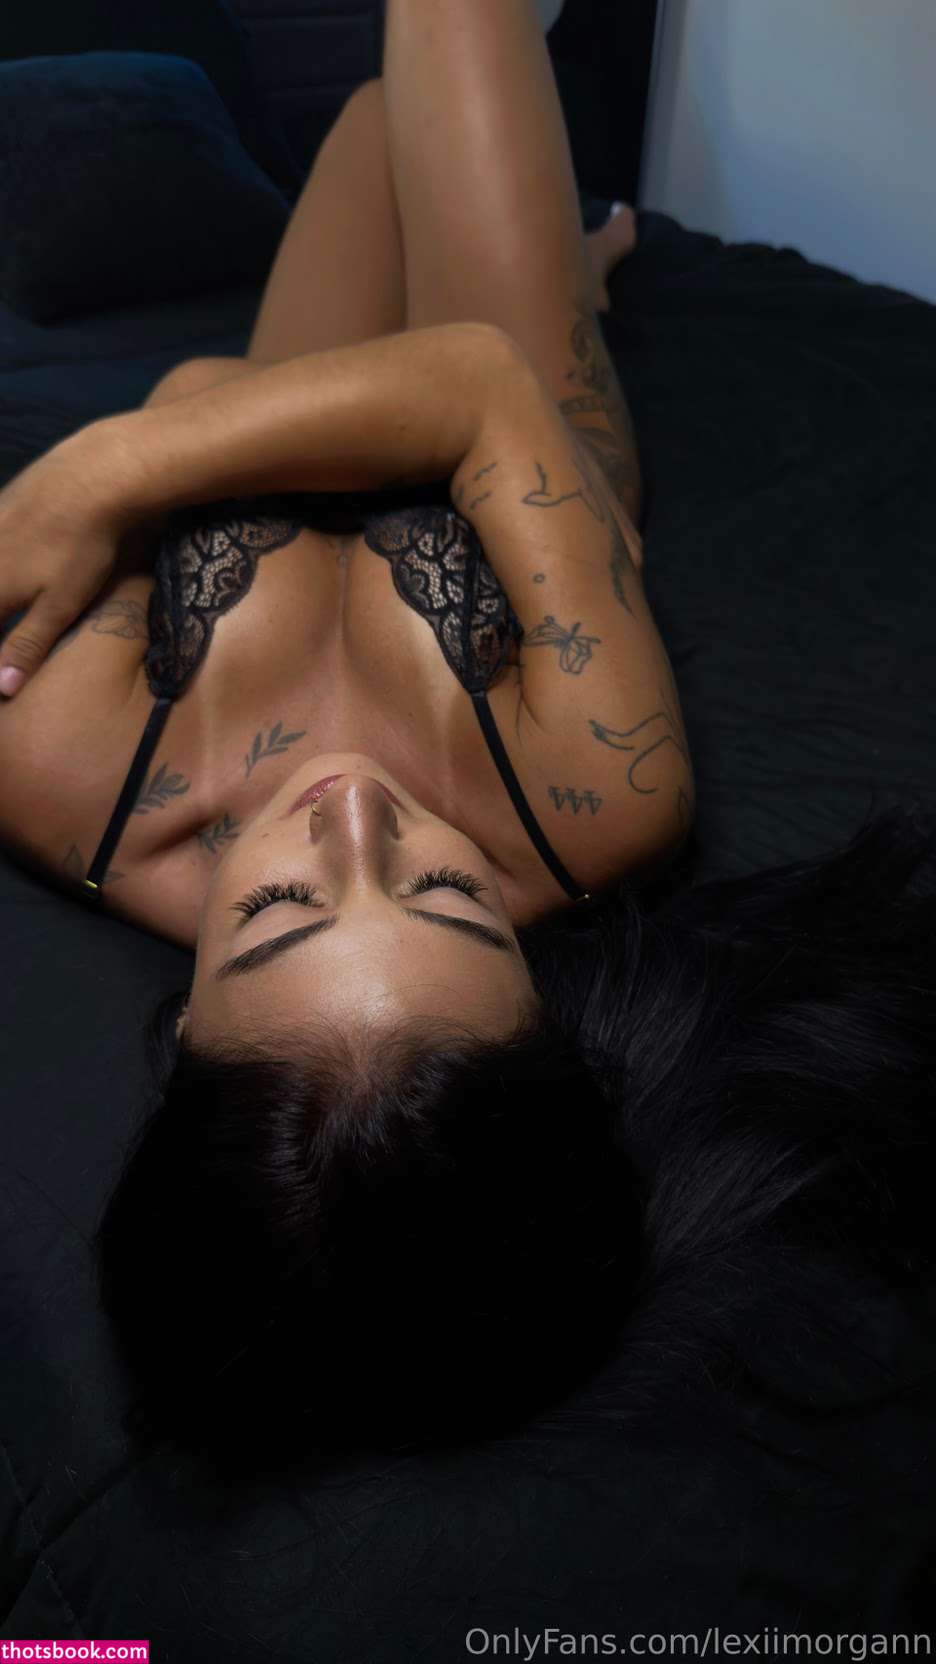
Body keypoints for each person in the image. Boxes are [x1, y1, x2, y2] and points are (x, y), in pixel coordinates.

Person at [1, 4, 933, 1478]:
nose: (353, 812)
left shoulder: (65, 778)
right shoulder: (595, 804)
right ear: (542, 1000)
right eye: (447, 896)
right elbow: (482, 388)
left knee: (379, 117)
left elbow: (193, 391)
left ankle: (581, 251)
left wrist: (201, 433)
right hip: (523, 396)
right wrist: (112, 466)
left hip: (353, 421)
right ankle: (577, 280)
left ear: (181, 1038)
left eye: (281, 908)